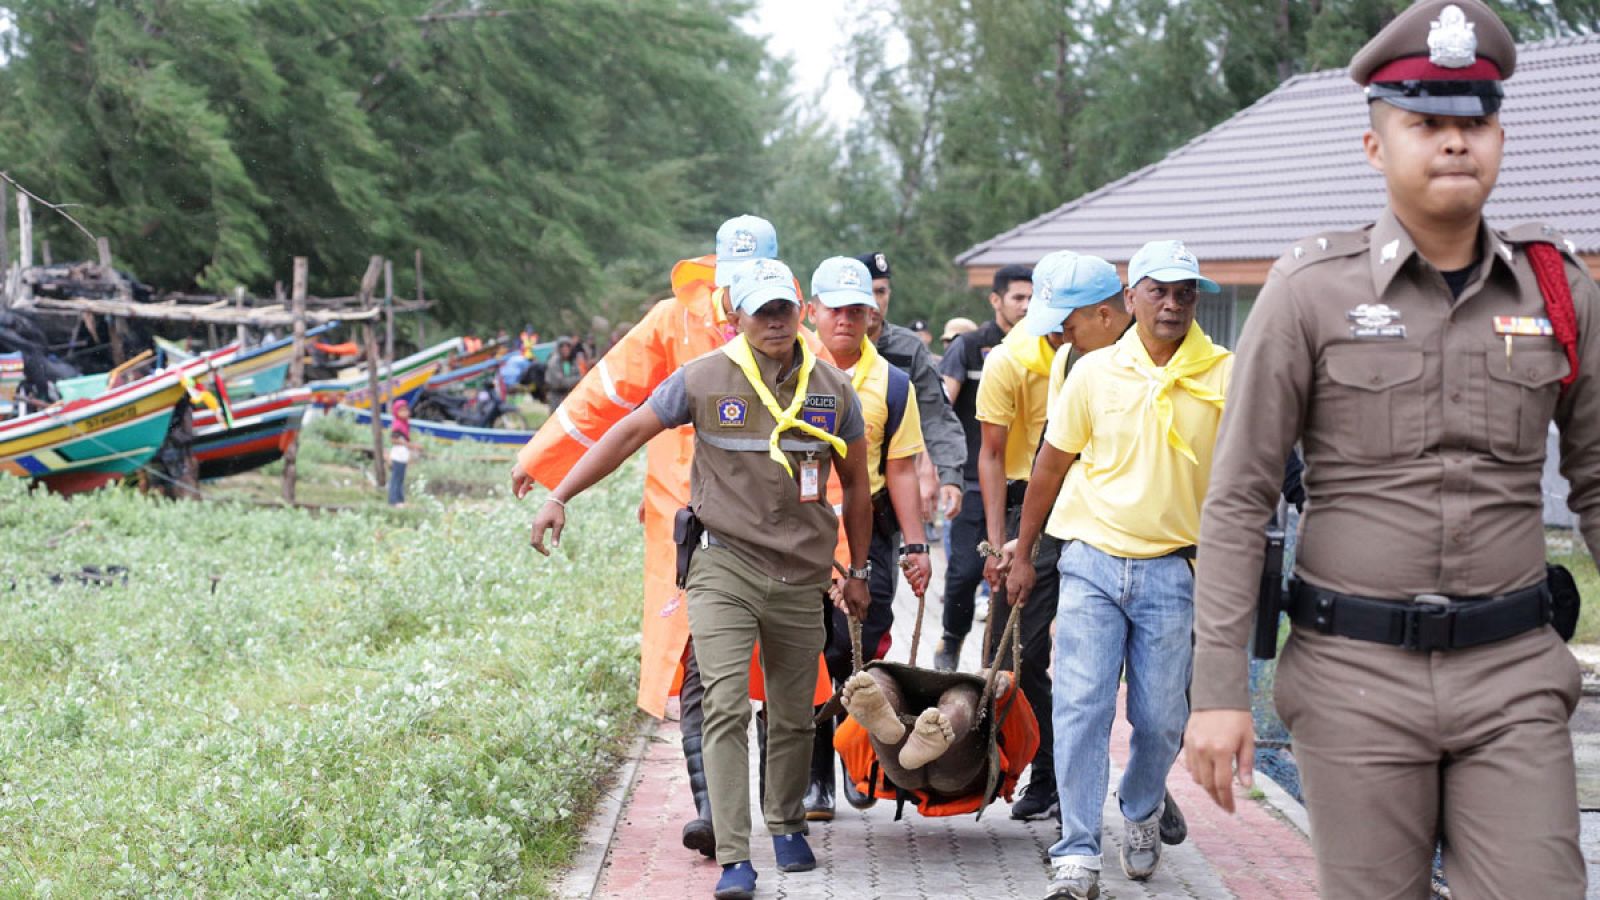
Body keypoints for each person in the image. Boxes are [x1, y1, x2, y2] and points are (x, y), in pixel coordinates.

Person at [1184, 2, 1599, 896]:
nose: (1456, 142)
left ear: (1500, 134)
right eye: (1428, 123)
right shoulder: (1308, 293)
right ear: (1377, 147)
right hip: (1353, 678)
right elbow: (1239, 496)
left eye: (1475, 122)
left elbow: (1598, 480)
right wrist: (1217, 691)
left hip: (1514, 675)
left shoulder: (1558, 290)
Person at [528, 257, 874, 900]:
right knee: (722, 703)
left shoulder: (831, 389)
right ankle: (735, 854)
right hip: (724, 564)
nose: (774, 321)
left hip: (802, 572)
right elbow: (628, 431)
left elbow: (856, 485)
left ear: (800, 312)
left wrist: (856, 571)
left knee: (795, 713)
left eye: (783, 309)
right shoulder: (703, 378)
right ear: (736, 315)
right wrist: (560, 494)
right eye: (761, 310)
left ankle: (788, 820)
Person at [1004, 245, 1230, 900]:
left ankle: (1142, 807)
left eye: (1185, 293)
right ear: (1131, 299)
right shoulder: (1095, 373)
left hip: (1172, 568)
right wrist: (1022, 554)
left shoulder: (1225, 374)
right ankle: (1077, 850)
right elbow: (1049, 467)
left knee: (1161, 718)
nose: (1171, 304)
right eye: (1158, 291)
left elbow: (1249, 474)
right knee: (1081, 707)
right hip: (1091, 562)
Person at [803, 256, 933, 820]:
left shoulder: (892, 383)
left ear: (871, 314)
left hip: (866, 528)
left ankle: (858, 760)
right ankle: (815, 781)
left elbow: (901, 468)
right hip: (801, 527)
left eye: (858, 310)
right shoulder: (790, 370)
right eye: (835, 309)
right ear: (813, 311)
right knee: (810, 651)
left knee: (858, 647)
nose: (846, 320)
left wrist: (916, 545)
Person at [936, 265, 1032, 672]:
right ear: (995, 300)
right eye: (1017, 298)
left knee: (1013, 579)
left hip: (1025, 485)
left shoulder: (1045, 349)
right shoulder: (971, 347)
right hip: (975, 480)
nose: (1026, 307)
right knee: (964, 572)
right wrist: (944, 473)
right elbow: (940, 408)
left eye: (1032, 299)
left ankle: (995, 664)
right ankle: (951, 642)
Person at [856, 251, 967, 531]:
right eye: (865, 292)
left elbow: (936, 415)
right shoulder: (824, 345)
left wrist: (948, 475)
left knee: (881, 574)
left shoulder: (909, 348)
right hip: (835, 487)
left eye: (880, 291)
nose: (874, 301)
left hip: (891, 486)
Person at [387, 398, 416, 507]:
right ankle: (393, 501)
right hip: (398, 455)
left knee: (400, 478)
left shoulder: (405, 424)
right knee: (396, 478)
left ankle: (400, 500)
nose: (404, 413)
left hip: (403, 456)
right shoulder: (398, 425)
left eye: (406, 410)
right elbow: (393, 439)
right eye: (401, 410)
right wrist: (408, 445)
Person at [543, 338, 584, 408]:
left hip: (570, 396)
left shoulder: (572, 361)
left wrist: (577, 379)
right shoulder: (554, 362)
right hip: (556, 397)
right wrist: (577, 379)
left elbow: (580, 377)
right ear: (558, 349)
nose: (565, 349)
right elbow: (561, 382)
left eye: (567, 346)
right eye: (562, 346)